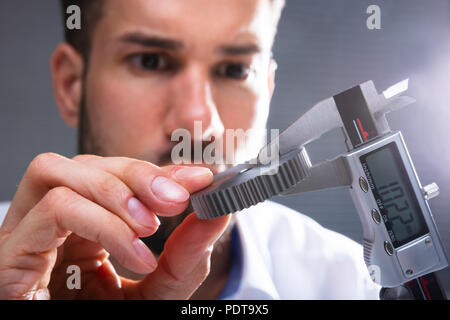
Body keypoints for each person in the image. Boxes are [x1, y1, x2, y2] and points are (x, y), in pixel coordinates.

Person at [0, 0, 380, 299]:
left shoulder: (352, 285)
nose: (200, 123)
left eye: (235, 69)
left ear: (267, 88)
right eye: (151, 61)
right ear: (72, 86)